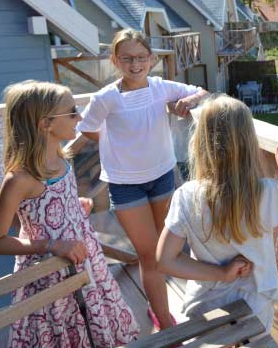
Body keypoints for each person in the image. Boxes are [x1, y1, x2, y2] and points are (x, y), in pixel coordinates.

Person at [0, 81, 139, 348]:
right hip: (50, 273)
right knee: (64, 340)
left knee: (96, 326)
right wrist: (51, 244)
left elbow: (50, 207)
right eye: (71, 113)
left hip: (85, 260)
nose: (78, 118)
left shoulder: (60, 156)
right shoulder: (20, 179)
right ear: (45, 124)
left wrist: (74, 206)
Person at [77, 29, 209, 331]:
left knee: (167, 251)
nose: (134, 64)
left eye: (140, 57)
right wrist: (113, 144)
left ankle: (160, 305)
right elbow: (87, 127)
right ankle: (164, 322)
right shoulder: (106, 98)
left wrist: (186, 101)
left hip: (162, 176)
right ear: (115, 60)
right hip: (126, 185)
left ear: (151, 59)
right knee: (149, 255)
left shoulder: (160, 87)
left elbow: (201, 91)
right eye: (127, 59)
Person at [156, 95, 278, 331]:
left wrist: (221, 272)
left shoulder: (186, 196)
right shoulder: (266, 192)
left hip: (204, 307)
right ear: (249, 142)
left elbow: (165, 260)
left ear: (201, 142)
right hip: (254, 309)